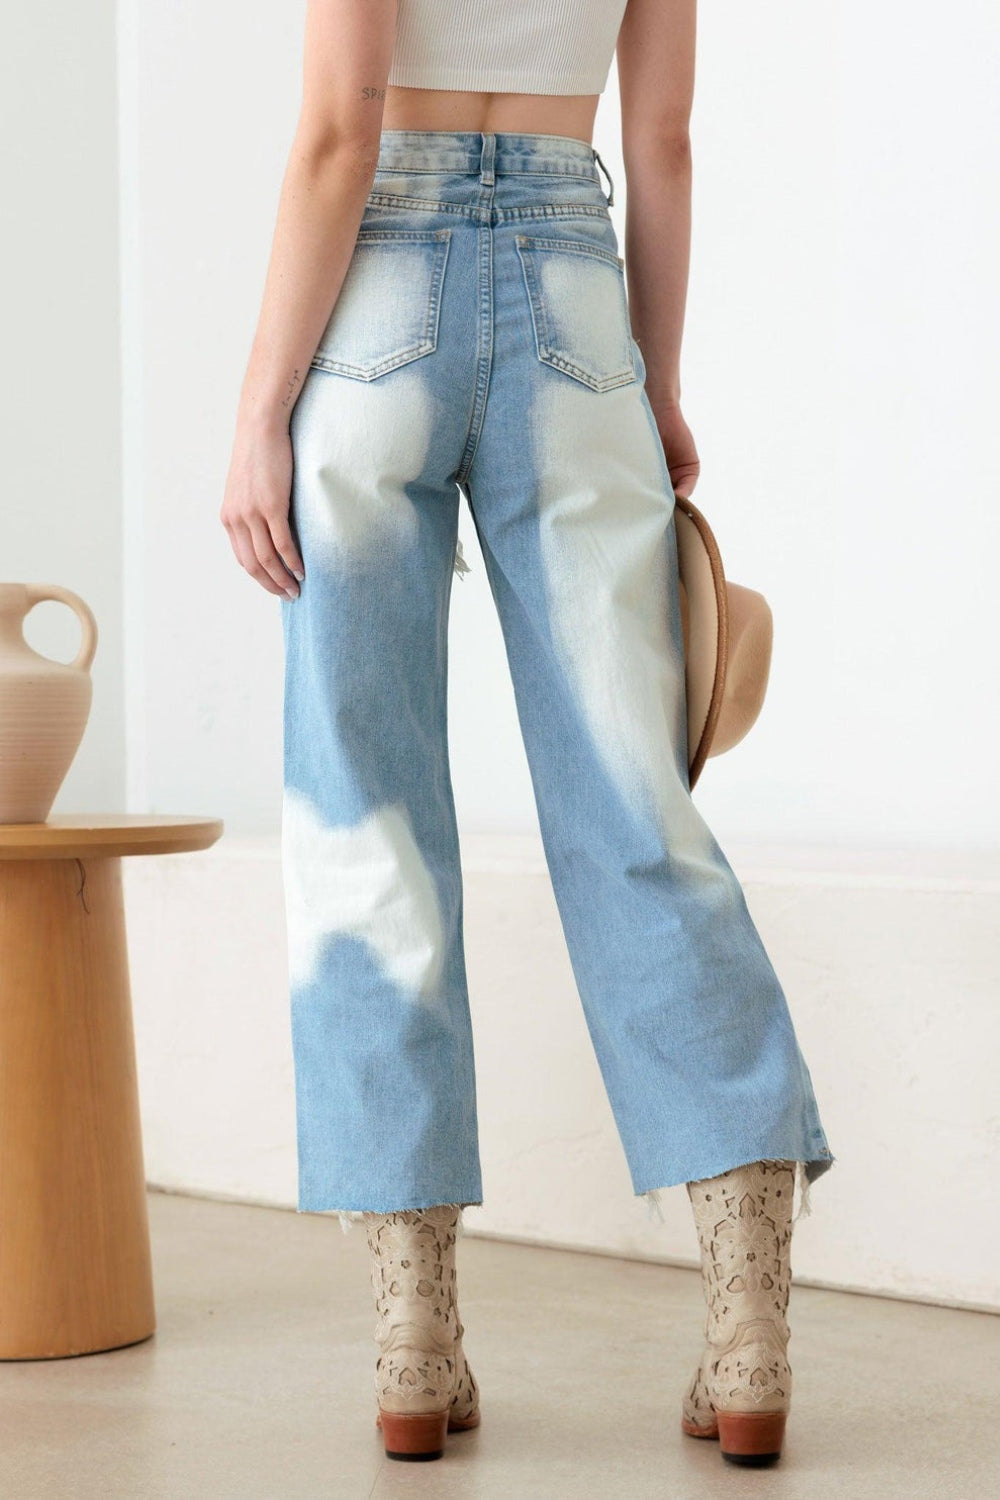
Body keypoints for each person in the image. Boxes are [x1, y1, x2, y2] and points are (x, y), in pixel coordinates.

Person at [220, 0, 835, 1469]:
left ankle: (415, 1344)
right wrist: (659, 385)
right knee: (642, 815)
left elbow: (335, 130)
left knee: (364, 818)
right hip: (575, 288)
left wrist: (255, 412)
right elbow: (666, 139)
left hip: (374, 303)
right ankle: (748, 1333)